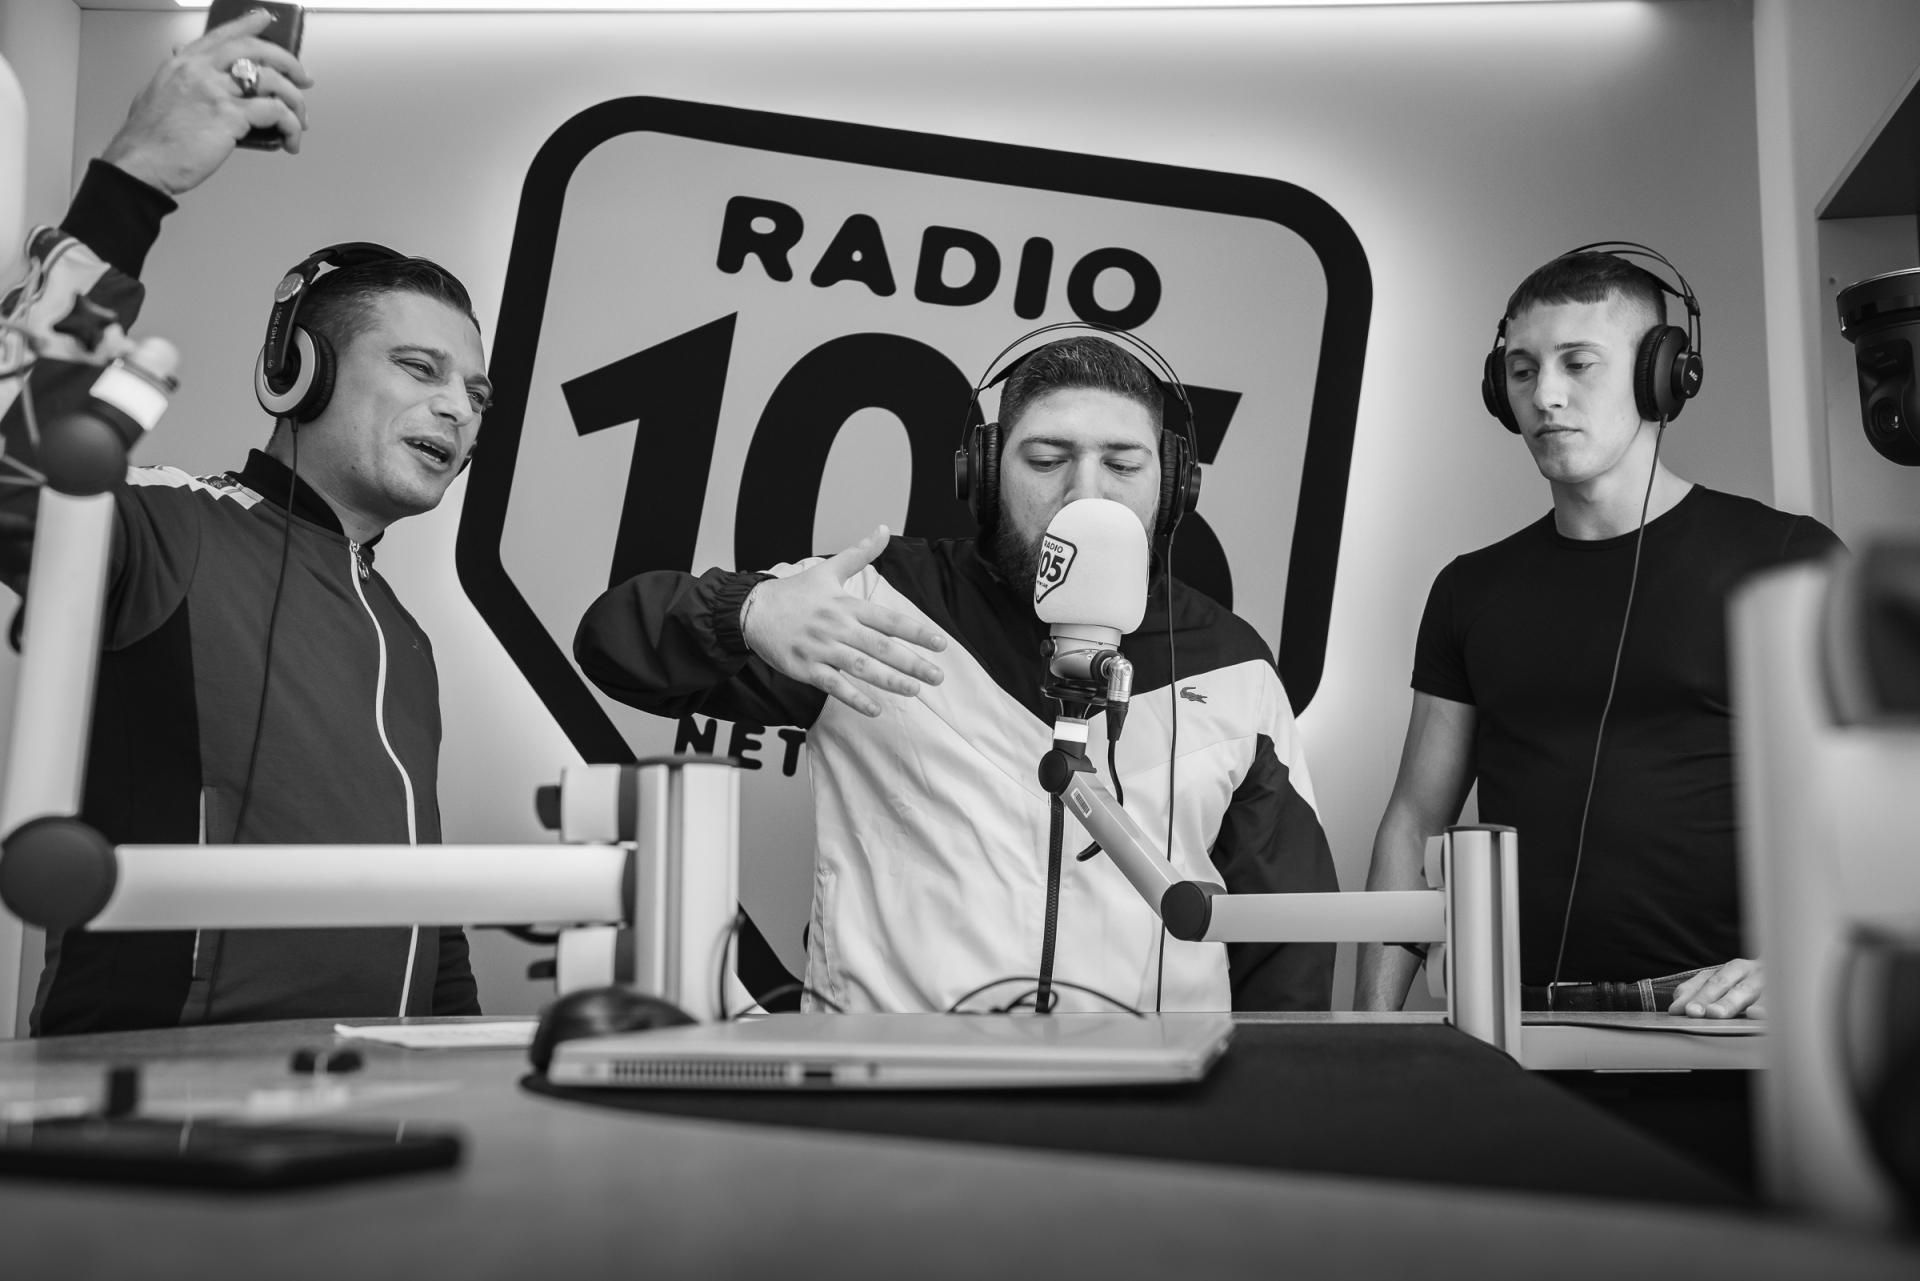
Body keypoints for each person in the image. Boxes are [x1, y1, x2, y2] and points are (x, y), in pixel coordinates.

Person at [575, 334, 1338, 1014]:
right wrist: (747, 611)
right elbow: (611, 642)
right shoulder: (875, 601)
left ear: (1173, 483)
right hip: (894, 1089)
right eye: (1047, 459)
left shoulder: (1235, 663)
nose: (1086, 492)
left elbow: (1288, 941)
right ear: (984, 471)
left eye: (1122, 463)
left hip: (1156, 1097)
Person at [0, 12, 486, 1033]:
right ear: (297, 370)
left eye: (477, 394)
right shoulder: (166, 527)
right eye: (419, 368)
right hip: (158, 1092)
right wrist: (135, 181)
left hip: (379, 1097)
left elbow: (429, 917)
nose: (458, 409)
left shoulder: (405, 637)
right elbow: (9, 453)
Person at [1353, 247, 1843, 1020]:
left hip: (1718, 1021)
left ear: (1663, 375)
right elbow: (1416, 821)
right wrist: (1370, 1029)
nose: (1545, 395)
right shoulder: (1468, 589)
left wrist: (1808, 955)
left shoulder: (1785, 557)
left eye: (1578, 364)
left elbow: (1870, 801)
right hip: (1510, 1020)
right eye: (1521, 371)